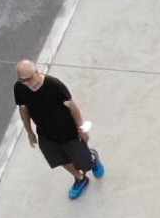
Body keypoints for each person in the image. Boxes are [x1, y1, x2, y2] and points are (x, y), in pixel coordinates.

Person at [11, 60, 102, 198]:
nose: (26, 83)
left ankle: (92, 158)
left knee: (84, 163)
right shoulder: (19, 88)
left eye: (28, 79)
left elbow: (73, 107)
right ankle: (80, 178)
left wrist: (81, 129)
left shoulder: (54, 85)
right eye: (22, 80)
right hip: (45, 134)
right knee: (59, 160)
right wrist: (29, 132)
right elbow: (23, 110)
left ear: (36, 72)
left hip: (68, 132)